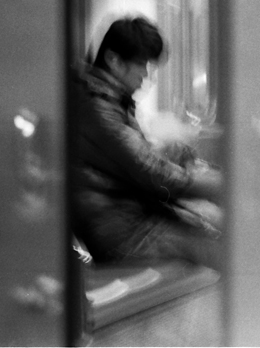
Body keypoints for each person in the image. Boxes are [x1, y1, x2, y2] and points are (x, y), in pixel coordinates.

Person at [72, 15, 224, 270]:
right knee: (219, 251)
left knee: (214, 232)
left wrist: (174, 154)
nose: (146, 75)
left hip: (135, 217)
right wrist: (220, 186)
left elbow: (136, 162)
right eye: (141, 64)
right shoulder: (98, 109)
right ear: (113, 60)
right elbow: (150, 171)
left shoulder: (109, 100)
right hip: (124, 233)